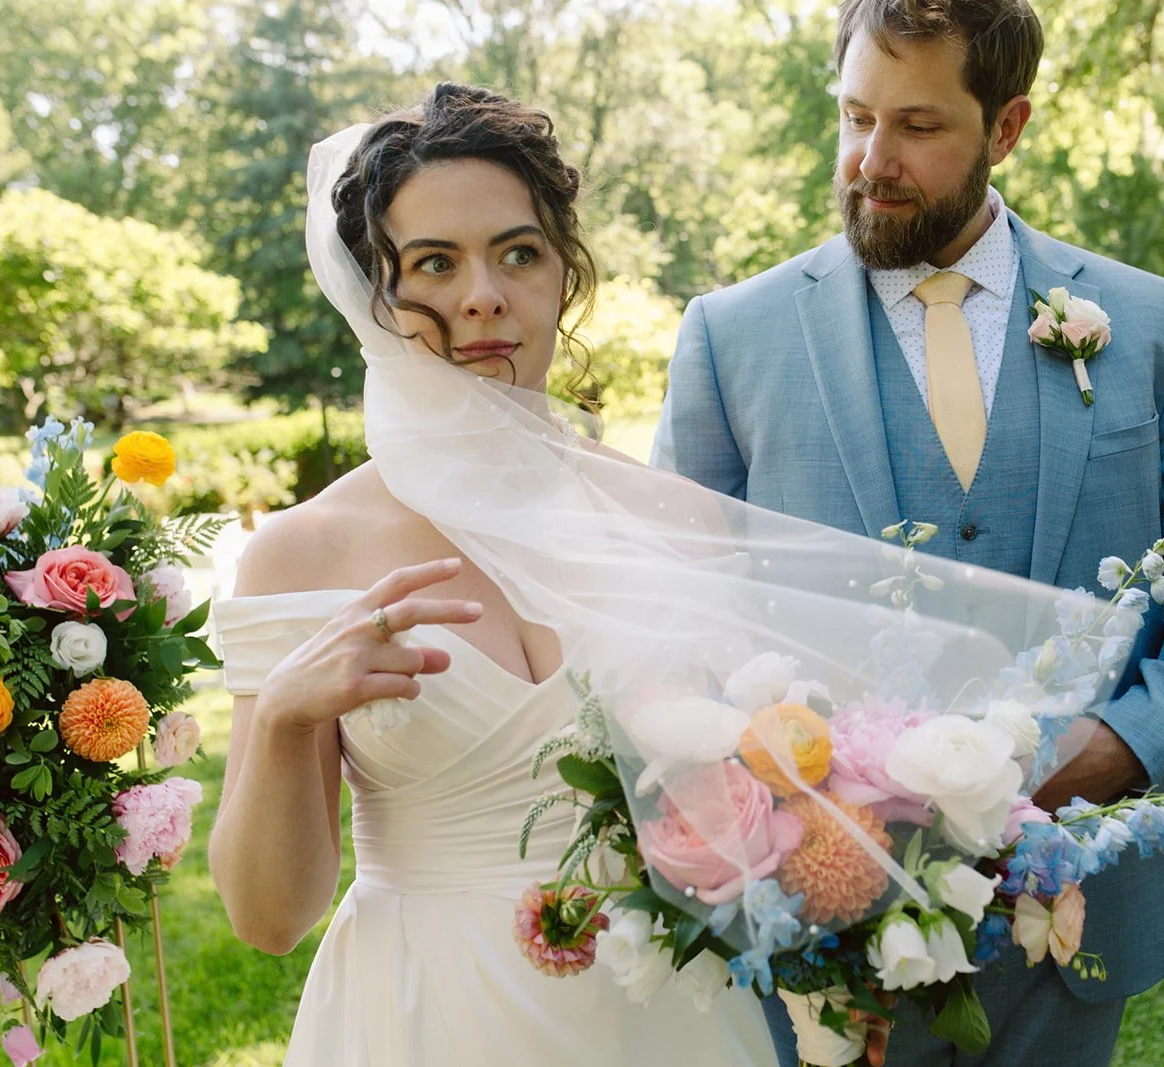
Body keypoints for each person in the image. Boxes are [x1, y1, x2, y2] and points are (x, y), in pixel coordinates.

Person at [651, 1, 1164, 1064]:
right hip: (819, 893)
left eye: (918, 126)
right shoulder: (734, 335)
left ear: (1006, 128)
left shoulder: (1143, 322)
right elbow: (674, 594)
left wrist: (1131, 743)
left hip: (1078, 900)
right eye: (856, 116)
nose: (872, 158)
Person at [206, 84, 781, 1066]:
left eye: (518, 252)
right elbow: (269, 918)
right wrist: (285, 719)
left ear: (564, 274)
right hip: (423, 1013)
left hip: (662, 1015)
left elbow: (740, 813)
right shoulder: (303, 553)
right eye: (434, 263)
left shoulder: (672, 519)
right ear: (374, 295)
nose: (484, 295)